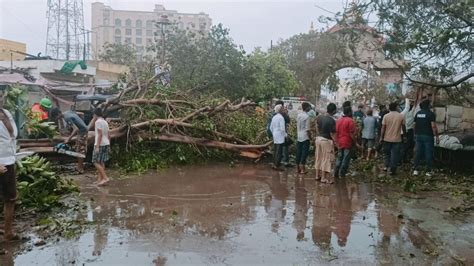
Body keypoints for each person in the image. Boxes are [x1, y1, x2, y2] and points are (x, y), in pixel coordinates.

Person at [0, 89, 18, 241]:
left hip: (10, 161)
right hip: (0, 163)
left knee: (10, 198)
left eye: (0, 97)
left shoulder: (6, 113)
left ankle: (8, 231)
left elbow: (12, 137)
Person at [50, 108, 89, 173]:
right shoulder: (67, 112)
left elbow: (76, 129)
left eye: (56, 117)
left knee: (80, 151)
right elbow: (80, 114)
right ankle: (79, 167)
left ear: (58, 114)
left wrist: (69, 138)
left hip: (82, 133)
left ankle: (80, 169)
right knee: (78, 149)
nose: (57, 119)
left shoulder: (66, 118)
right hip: (82, 131)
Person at [413, 100, 439, 176]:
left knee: (418, 152)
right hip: (428, 136)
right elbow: (433, 126)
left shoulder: (417, 114)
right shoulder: (431, 114)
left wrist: (415, 134)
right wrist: (437, 136)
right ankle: (428, 171)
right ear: (428, 105)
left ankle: (415, 169)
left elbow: (414, 125)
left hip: (418, 135)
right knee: (428, 153)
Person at [380, 102, 406, 175]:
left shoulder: (386, 116)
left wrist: (381, 137)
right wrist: (404, 136)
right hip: (397, 139)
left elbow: (383, 128)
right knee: (395, 154)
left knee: (387, 153)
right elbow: (404, 127)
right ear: (396, 107)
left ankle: (386, 166)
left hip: (386, 138)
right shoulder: (401, 116)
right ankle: (392, 170)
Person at [315, 103, 337, 183]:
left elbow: (316, 126)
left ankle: (317, 175)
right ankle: (323, 178)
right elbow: (332, 133)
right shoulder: (332, 120)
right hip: (326, 140)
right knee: (326, 158)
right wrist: (335, 143)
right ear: (334, 111)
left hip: (318, 139)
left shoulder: (320, 117)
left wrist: (318, 134)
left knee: (319, 157)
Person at [334, 106, 358, 178]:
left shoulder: (338, 120)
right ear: (350, 112)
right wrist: (356, 143)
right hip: (347, 142)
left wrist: (336, 142)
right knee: (345, 159)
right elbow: (352, 134)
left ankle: (336, 172)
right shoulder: (351, 121)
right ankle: (342, 173)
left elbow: (336, 132)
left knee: (339, 157)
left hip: (340, 142)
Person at [92, 108, 111, 186]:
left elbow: (100, 134)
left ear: (95, 114)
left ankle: (105, 178)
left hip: (100, 144)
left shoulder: (98, 122)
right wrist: (109, 144)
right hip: (106, 143)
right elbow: (109, 135)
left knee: (95, 161)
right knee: (101, 161)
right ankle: (100, 179)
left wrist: (97, 146)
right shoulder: (105, 122)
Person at [296, 102, 312, 174]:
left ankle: (297, 168)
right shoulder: (307, 116)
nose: (310, 108)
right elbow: (307, 129)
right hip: (305, 137)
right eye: (309, 107)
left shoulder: (298, 115)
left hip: (299, 135)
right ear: (306, 108)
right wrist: (310, 137)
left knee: (298, 152)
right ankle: (302, 169)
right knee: (304, 153)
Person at [270, 104, 287, 171]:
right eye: (282, 109)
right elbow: (282, 129)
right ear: (280, 110)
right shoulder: (281, 117)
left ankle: (274, 164)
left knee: (275, 150)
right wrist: (286, 135)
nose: (283, 110)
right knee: (279, 151)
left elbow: (271, 128)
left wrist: (274, 133)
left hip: (275, 134)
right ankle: (277, 165)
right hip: (280, 135)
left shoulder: (274, 117)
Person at [401, 98, 416, 162]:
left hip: (404, 131)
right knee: (408, 145)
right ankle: (404, 158)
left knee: (406, 144)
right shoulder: (412, 112)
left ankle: (404, 157)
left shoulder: (403, 113)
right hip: (409, 130)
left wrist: (407, 99)